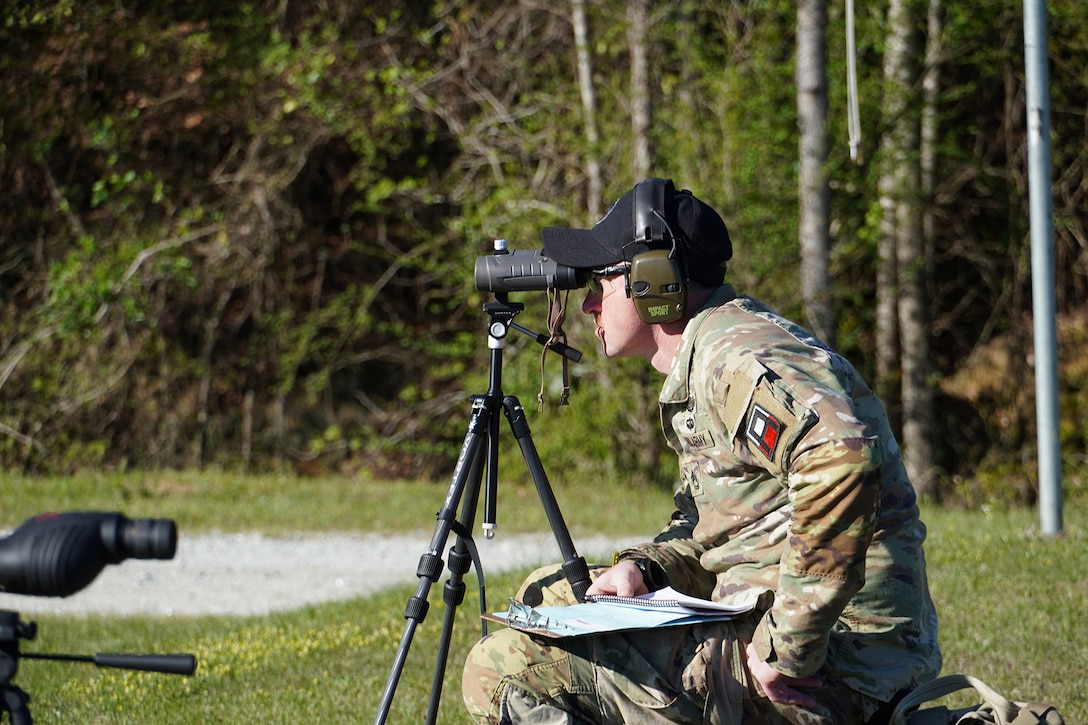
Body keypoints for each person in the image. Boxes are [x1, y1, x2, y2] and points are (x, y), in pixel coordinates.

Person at [461, 178, 941, 724]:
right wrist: (646, 570)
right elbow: (723, 530)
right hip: (805, 636)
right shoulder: (711, 352)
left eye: (602, 281)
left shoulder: (734, 358)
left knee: (501, 665)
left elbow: (842, 457)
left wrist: (788, 647)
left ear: (654, 282)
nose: (588, 301)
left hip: (837, 664)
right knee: (543, 595)